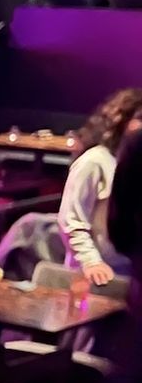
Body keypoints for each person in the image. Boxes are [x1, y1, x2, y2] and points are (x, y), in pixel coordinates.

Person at [61, 89, 142, 285]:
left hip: (129, 273)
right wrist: (91, 262)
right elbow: (72, 220)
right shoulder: (95, 161)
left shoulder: (135, 165)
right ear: (121, 121)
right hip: (95, 277)